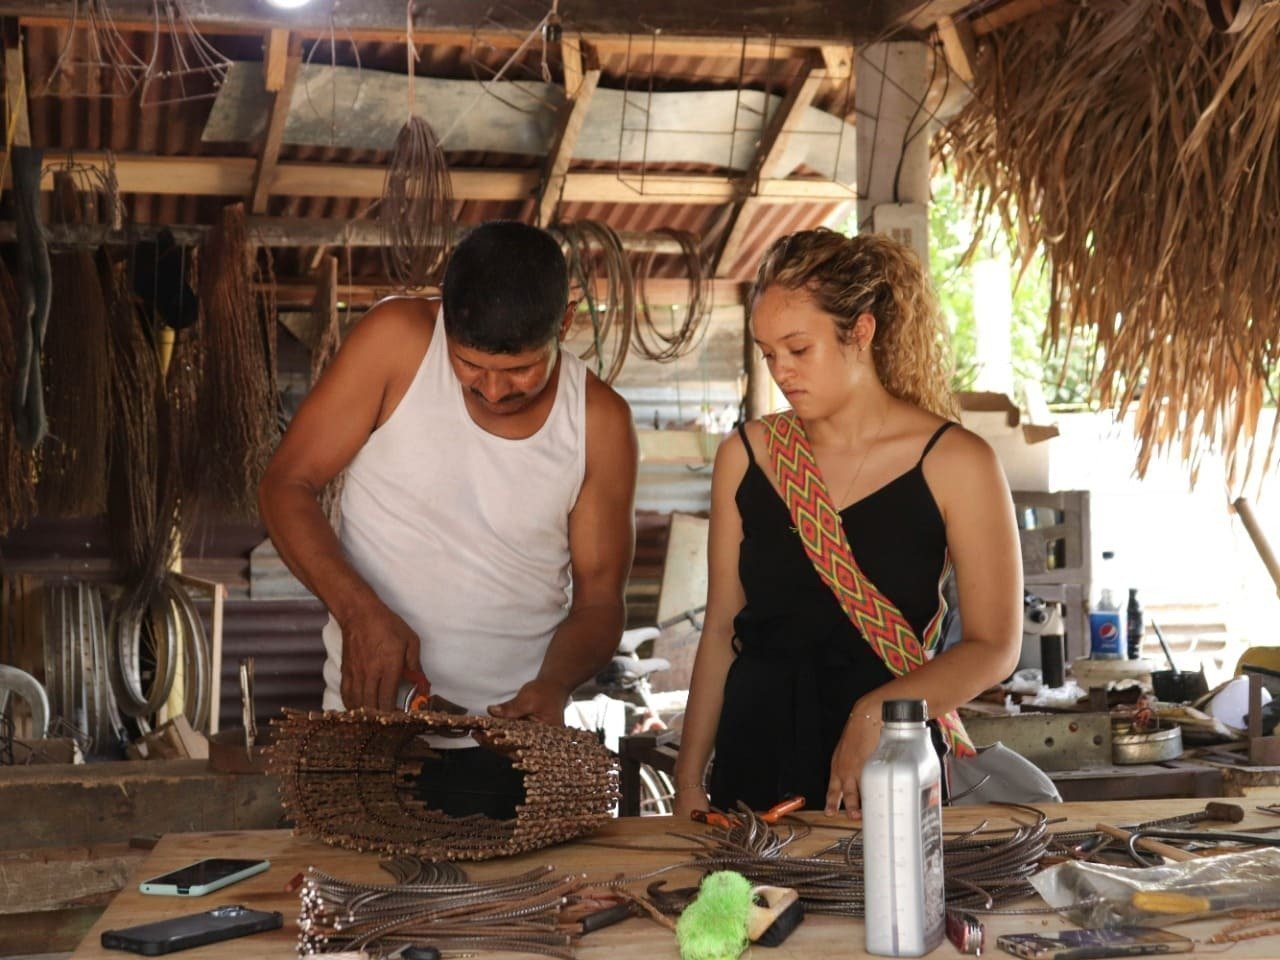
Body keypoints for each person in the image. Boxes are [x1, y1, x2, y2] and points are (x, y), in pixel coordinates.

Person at [259, 220, 638, 817]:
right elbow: (286, 485)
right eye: (469, 365)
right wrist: (358, 612)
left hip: (510, 752)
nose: (493, 390)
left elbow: (599, 603)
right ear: (444, 317)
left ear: (564, 324)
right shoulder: (397, 343)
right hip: (368, 732)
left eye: (519, 370)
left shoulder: (600, 423)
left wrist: (554, 685)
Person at [672, 228, 1022, 821]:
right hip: (752, 767)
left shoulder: (957, 462)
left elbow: (995, 647)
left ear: (860, 331)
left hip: (886, 765)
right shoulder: (747, 455)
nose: (781, 371)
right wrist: (687, 783)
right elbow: (721, 629)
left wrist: (877, 711)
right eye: (768, 353)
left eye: (798, 349)